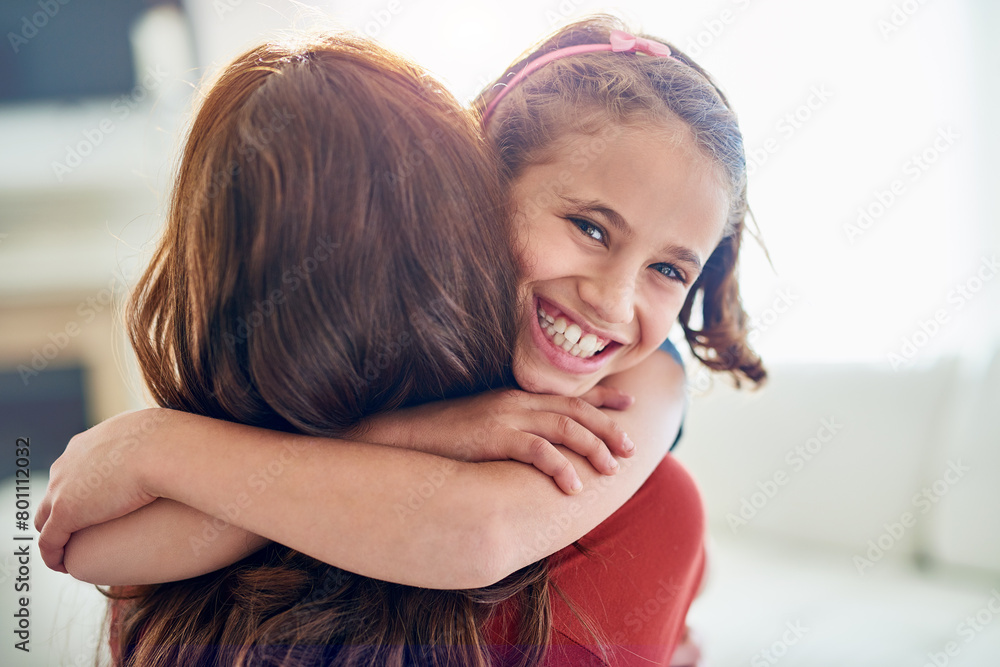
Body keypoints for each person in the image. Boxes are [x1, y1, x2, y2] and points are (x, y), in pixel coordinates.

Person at [36, 15, 764, 666]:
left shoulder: (644, 386)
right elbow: (94, 549)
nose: (613, 298)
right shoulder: (393, 345)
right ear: (483, 182)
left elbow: (484, 532)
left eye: (669, 269)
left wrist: (155, 449)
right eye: (590, 227)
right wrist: (419, 431)